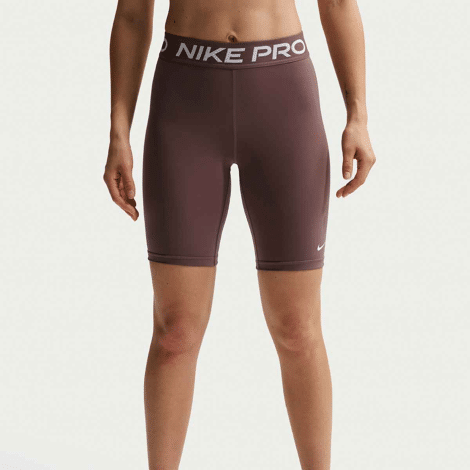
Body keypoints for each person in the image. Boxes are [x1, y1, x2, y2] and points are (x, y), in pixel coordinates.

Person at [103, 0, 376, 468]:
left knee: (297, 328)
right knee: (175, 330)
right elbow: (132, 14)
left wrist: (358, 116)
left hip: (283, 99)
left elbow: (337, 3)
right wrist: (118, 132)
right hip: (184, 101)